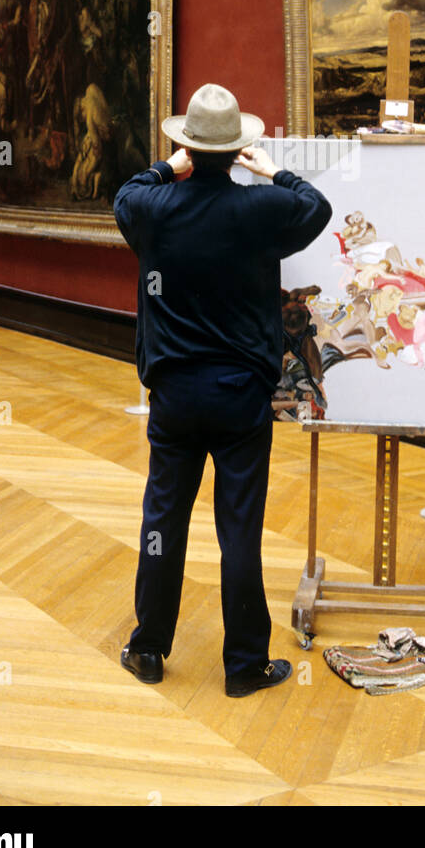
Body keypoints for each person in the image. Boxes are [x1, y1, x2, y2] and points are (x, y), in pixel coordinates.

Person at [114, 84, 331, 698]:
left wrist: (168, 167)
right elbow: (315, 206)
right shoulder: (263, 210)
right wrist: (274, 171)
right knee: (239, 530)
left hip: (175, 394)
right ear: (240, 150)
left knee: (163, 523)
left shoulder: (154, 208)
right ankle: (244, 666)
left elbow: (126, 194)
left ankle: (149, 649)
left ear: (186, 147)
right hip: (241, 396)